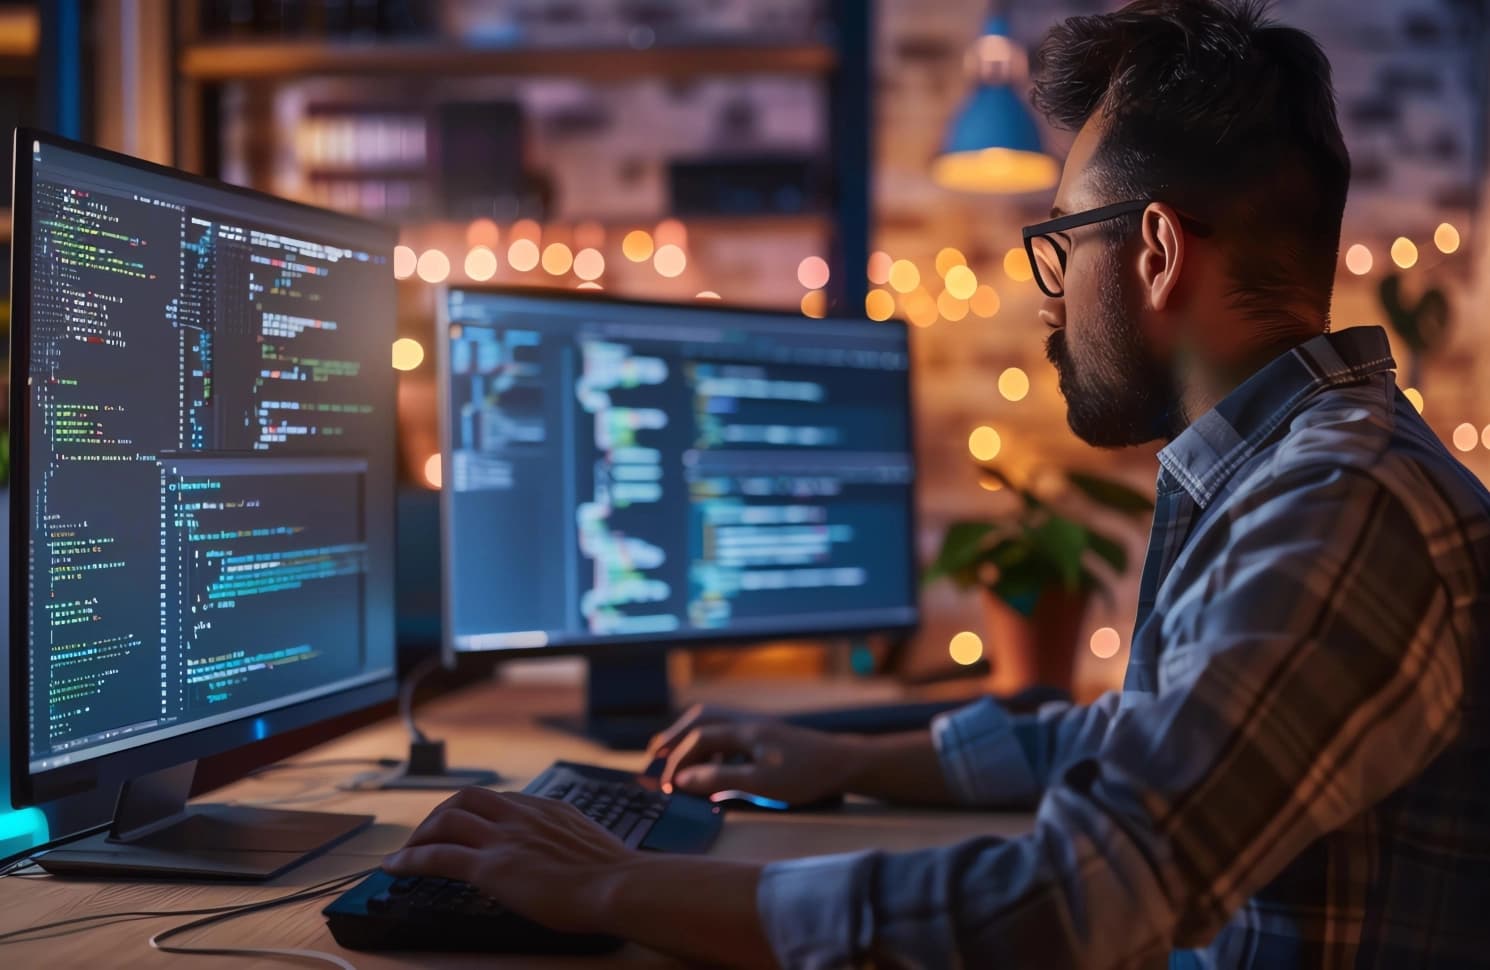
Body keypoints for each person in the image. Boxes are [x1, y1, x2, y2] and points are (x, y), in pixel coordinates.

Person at [383, 1, 1490, 966]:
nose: (1049, 300)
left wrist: (606, 886)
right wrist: (846, 757)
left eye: (1061, 244)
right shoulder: (1297, 473)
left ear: (1153, 250)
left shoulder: (1336, 511)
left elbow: (1071, 900)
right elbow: (1131, 741)